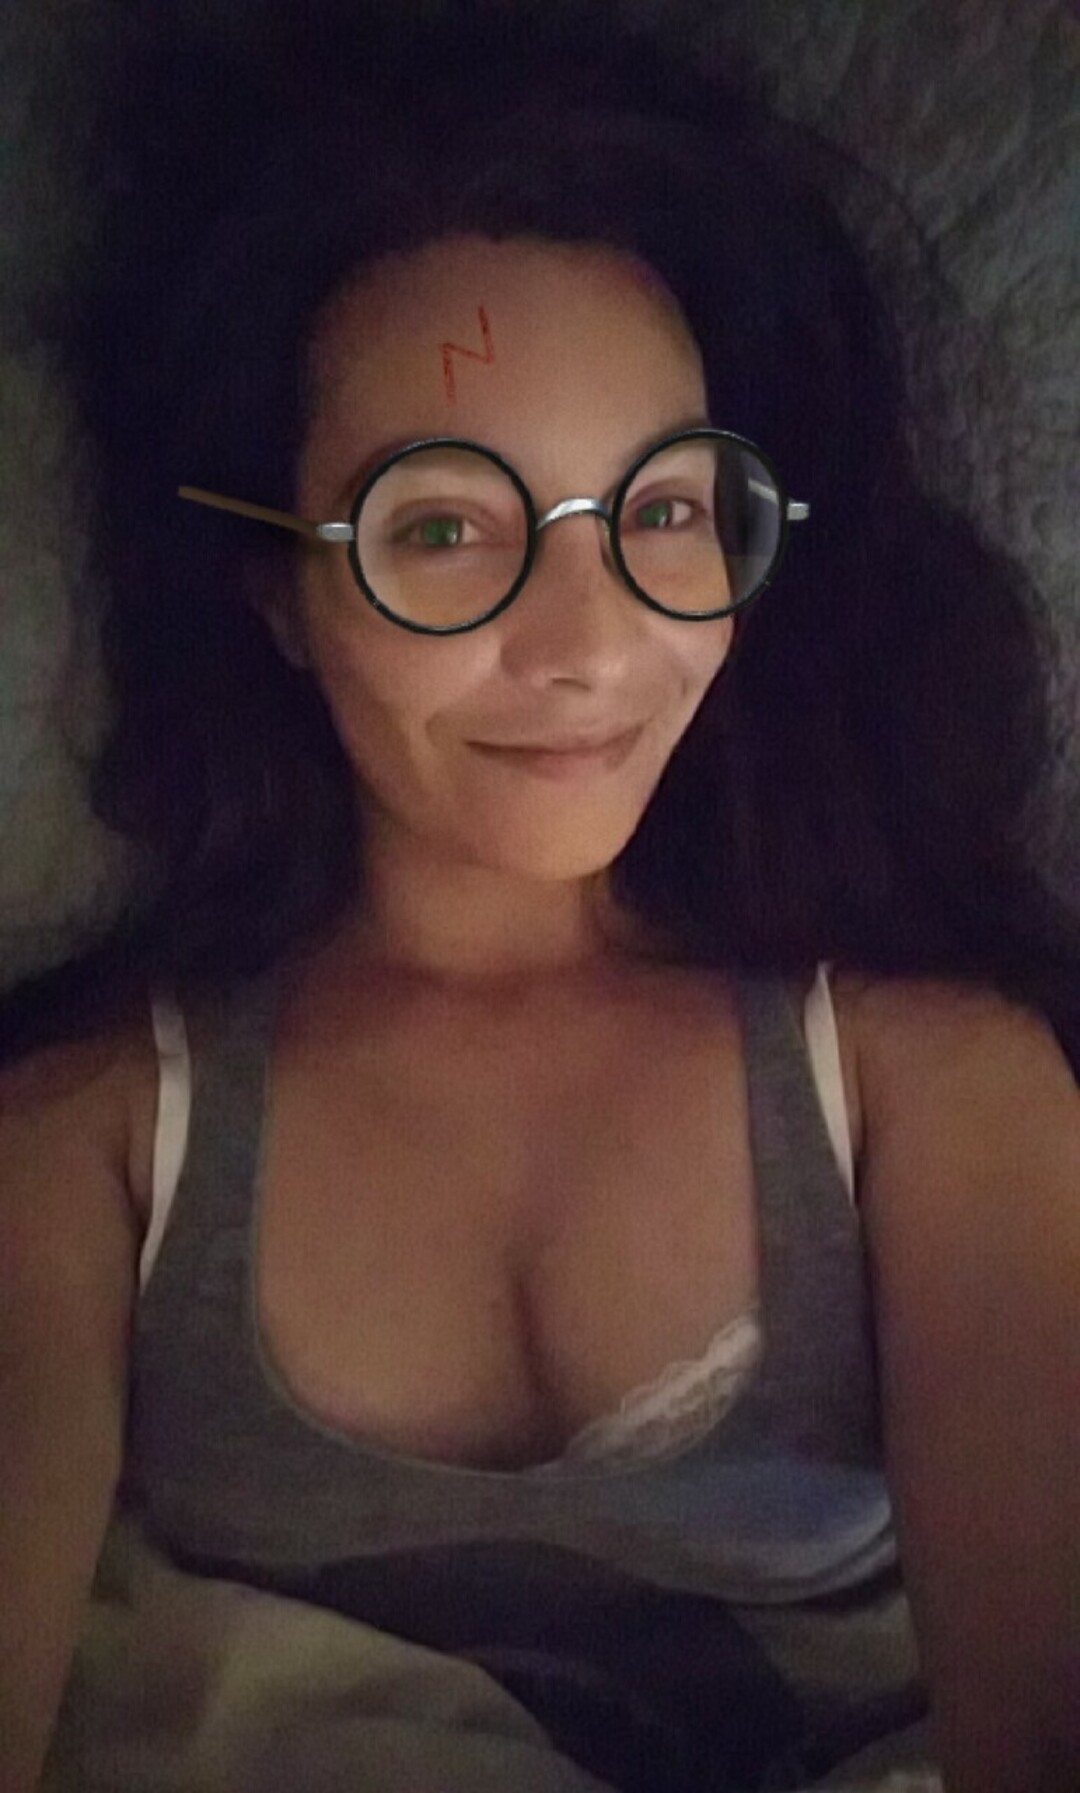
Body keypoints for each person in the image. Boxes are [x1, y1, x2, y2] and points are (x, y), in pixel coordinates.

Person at [1, 8, 1078, 1791]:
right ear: (276, 594)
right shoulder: (89, 1137)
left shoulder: (936, 1085)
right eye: (443, 528)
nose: (593, 644)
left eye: (663, 512)